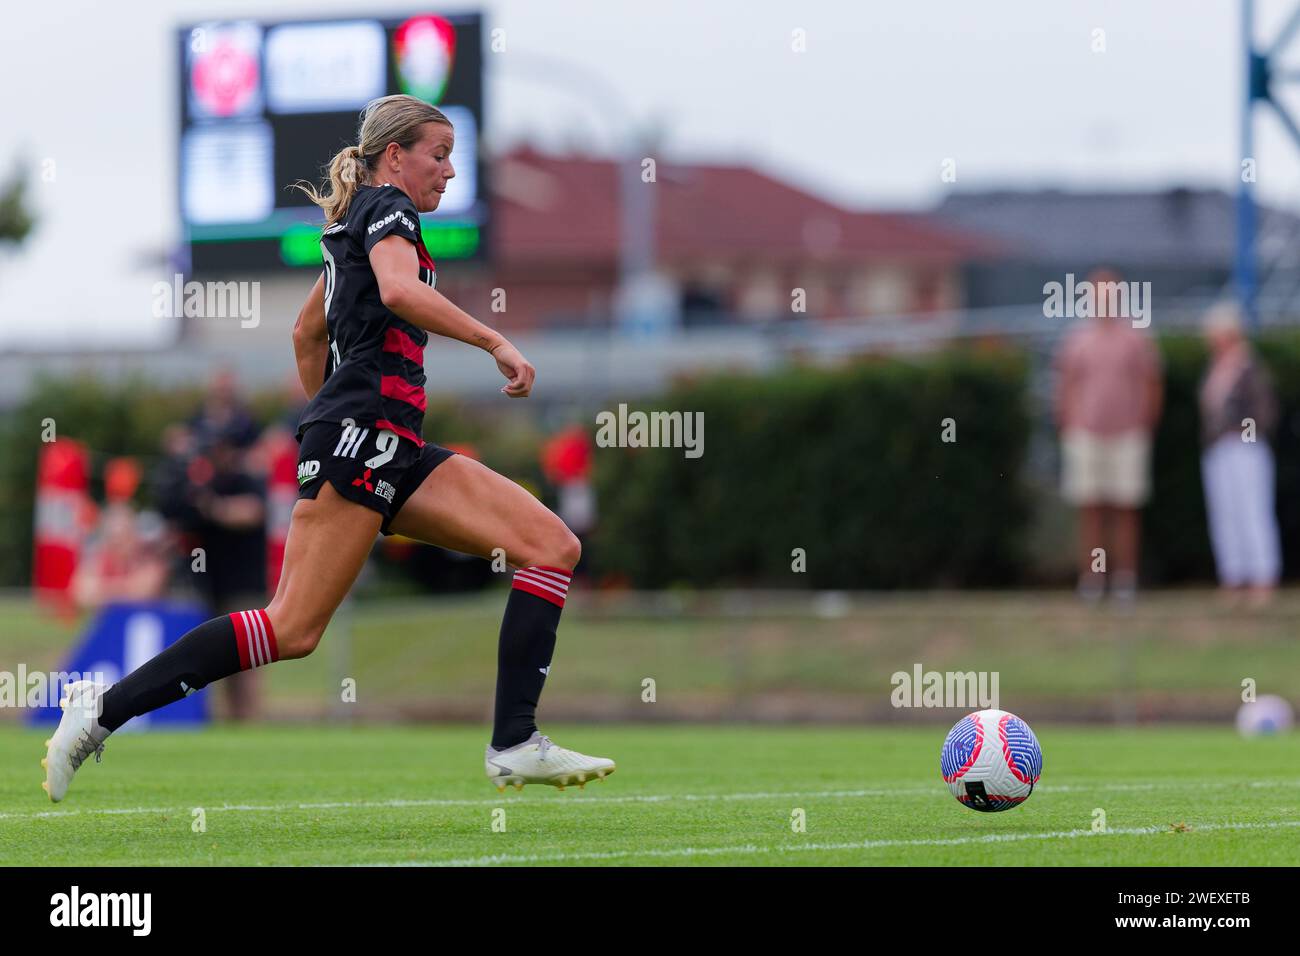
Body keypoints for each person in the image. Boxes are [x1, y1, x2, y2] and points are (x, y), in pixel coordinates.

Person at [42, 94, 614, 802]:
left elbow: (306, 335)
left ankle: (516, 742)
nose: (449, 173)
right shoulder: (388, 211)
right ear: (396, 156)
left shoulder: (355, 226)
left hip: (386, 443)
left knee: (550, 544)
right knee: (293, 629)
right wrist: (493, 339)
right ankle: (99, 713)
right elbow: (401, 293)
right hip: (366, 440)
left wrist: (326, 422)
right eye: (439, 155)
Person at [1053, 267, 1163, 603]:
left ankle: (1125, 580)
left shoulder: (1136, 337)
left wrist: (1143, 424)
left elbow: (1152, 384)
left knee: (1126, 509)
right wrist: (1070, 424)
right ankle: (1093, 579)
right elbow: (1066, 386)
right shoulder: (1076, 339)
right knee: (1092, 510)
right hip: (1086, 436)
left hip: (1128, 436)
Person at [1198, 303, 1281, 607]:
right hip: (1218, 449)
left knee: (1252, 511)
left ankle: (1262, 575)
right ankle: (1233, 575)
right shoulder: (1215, 367)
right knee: (1226, 514)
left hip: (1244, 449)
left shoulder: (1249, 366)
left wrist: (1244, 438)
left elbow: (1264, 409)